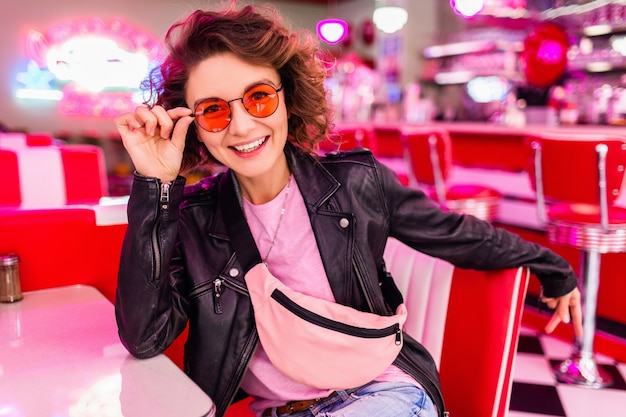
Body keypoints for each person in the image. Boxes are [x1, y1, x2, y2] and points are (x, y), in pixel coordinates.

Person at [113, 4, 583, 417]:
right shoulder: (195, 217)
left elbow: (456, 233)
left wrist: (553, 266)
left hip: (380, 394)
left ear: (286, 96)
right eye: (214, 110)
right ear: (192, 126)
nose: (241, 126)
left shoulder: (356, 184)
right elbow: (146, 337)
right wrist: (155, 186)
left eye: (258, 97)